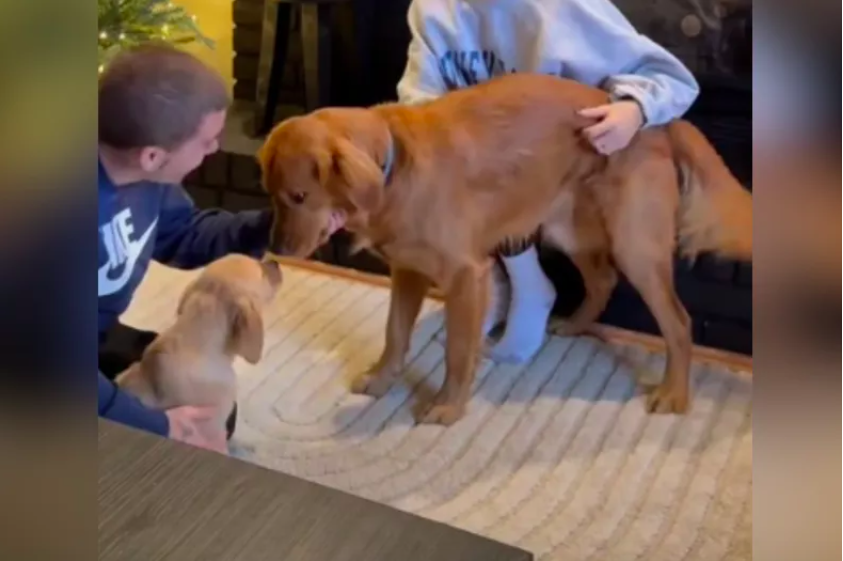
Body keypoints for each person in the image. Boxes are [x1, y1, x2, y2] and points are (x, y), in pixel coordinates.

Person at [396, 0, 700, 363]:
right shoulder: (431, 8)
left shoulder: (568, 8)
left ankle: (528, 285)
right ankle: (497, 284)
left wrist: (635, 109)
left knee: (494, 168)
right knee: (444, 168)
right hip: (487, 153)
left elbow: (673, 78)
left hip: (574, 153)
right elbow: (416, 99)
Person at [96, 43, 343, 452]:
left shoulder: (145, 177)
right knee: (161, 439)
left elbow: (188, 234)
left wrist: (278, 225)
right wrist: (158, 427)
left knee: (208, 406)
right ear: (153, 156)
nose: (215, 149)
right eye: (207, 140)